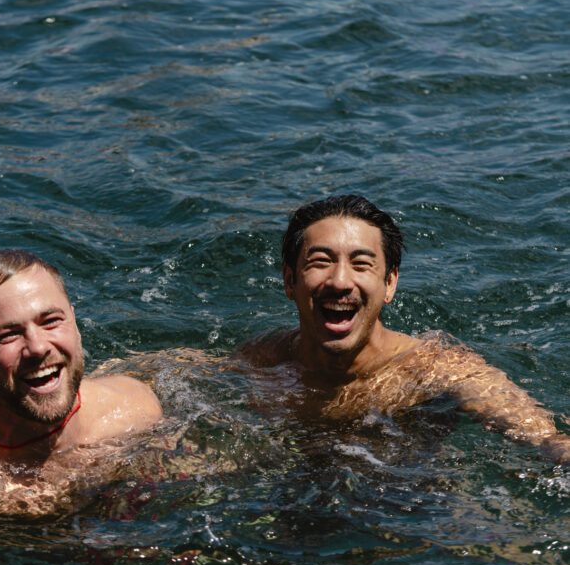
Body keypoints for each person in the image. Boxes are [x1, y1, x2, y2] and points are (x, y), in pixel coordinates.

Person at [238, 194, 570, 462]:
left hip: (412, 502)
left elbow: (545, 439)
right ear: (289, 281)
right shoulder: (263, 361)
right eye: (321, 261)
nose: (340, 281)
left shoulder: (434, 368)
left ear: (390, 284)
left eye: (361, 264)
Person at [0, 250, 163, 518]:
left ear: (75, 324)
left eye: (51, 322)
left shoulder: (133, 406)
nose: (37, 347)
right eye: (8, 335)